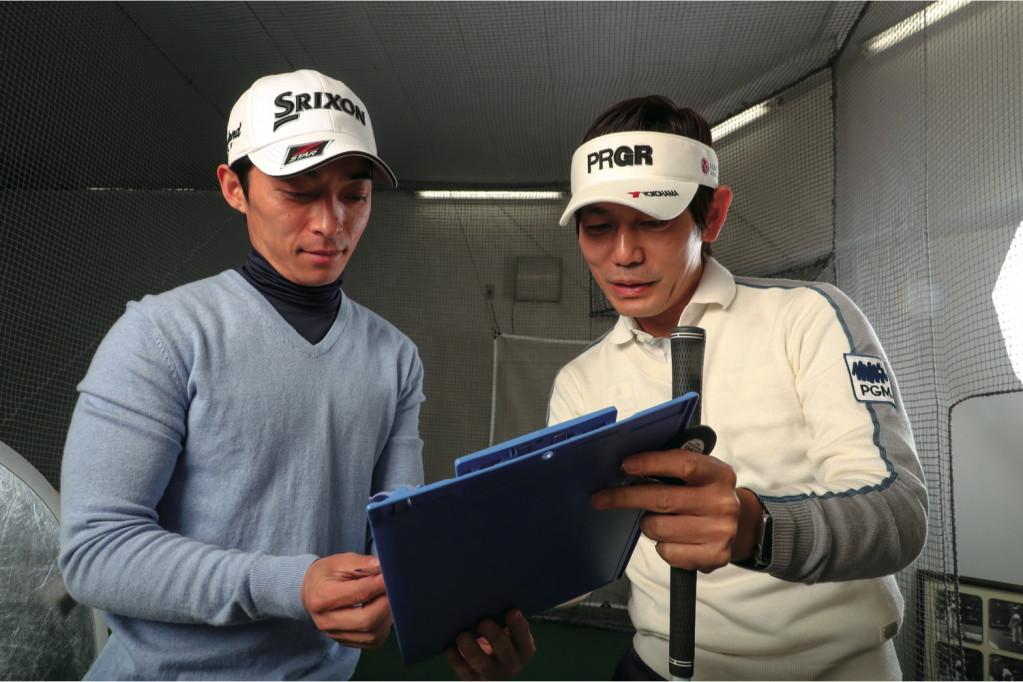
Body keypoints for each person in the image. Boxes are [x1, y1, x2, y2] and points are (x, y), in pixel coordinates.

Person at [59, 69, 531, 680]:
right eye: (298, 192)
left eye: (354, 195)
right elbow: (96, 552)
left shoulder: (395, 357)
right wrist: (291, 584)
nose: (331, 223)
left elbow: (396, 533)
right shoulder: (162, 335)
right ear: (234, 187)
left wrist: (451, 605)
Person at [546, 96, 929, 679]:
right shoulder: (579, 382)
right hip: (658, 665)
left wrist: (758, 528)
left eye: (653, 220)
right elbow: (576, 552)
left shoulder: (808, 318)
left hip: (832, 669)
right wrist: (494, 605)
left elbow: (899, 514)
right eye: (598, 228)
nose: (623, 255)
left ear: (714, 216)